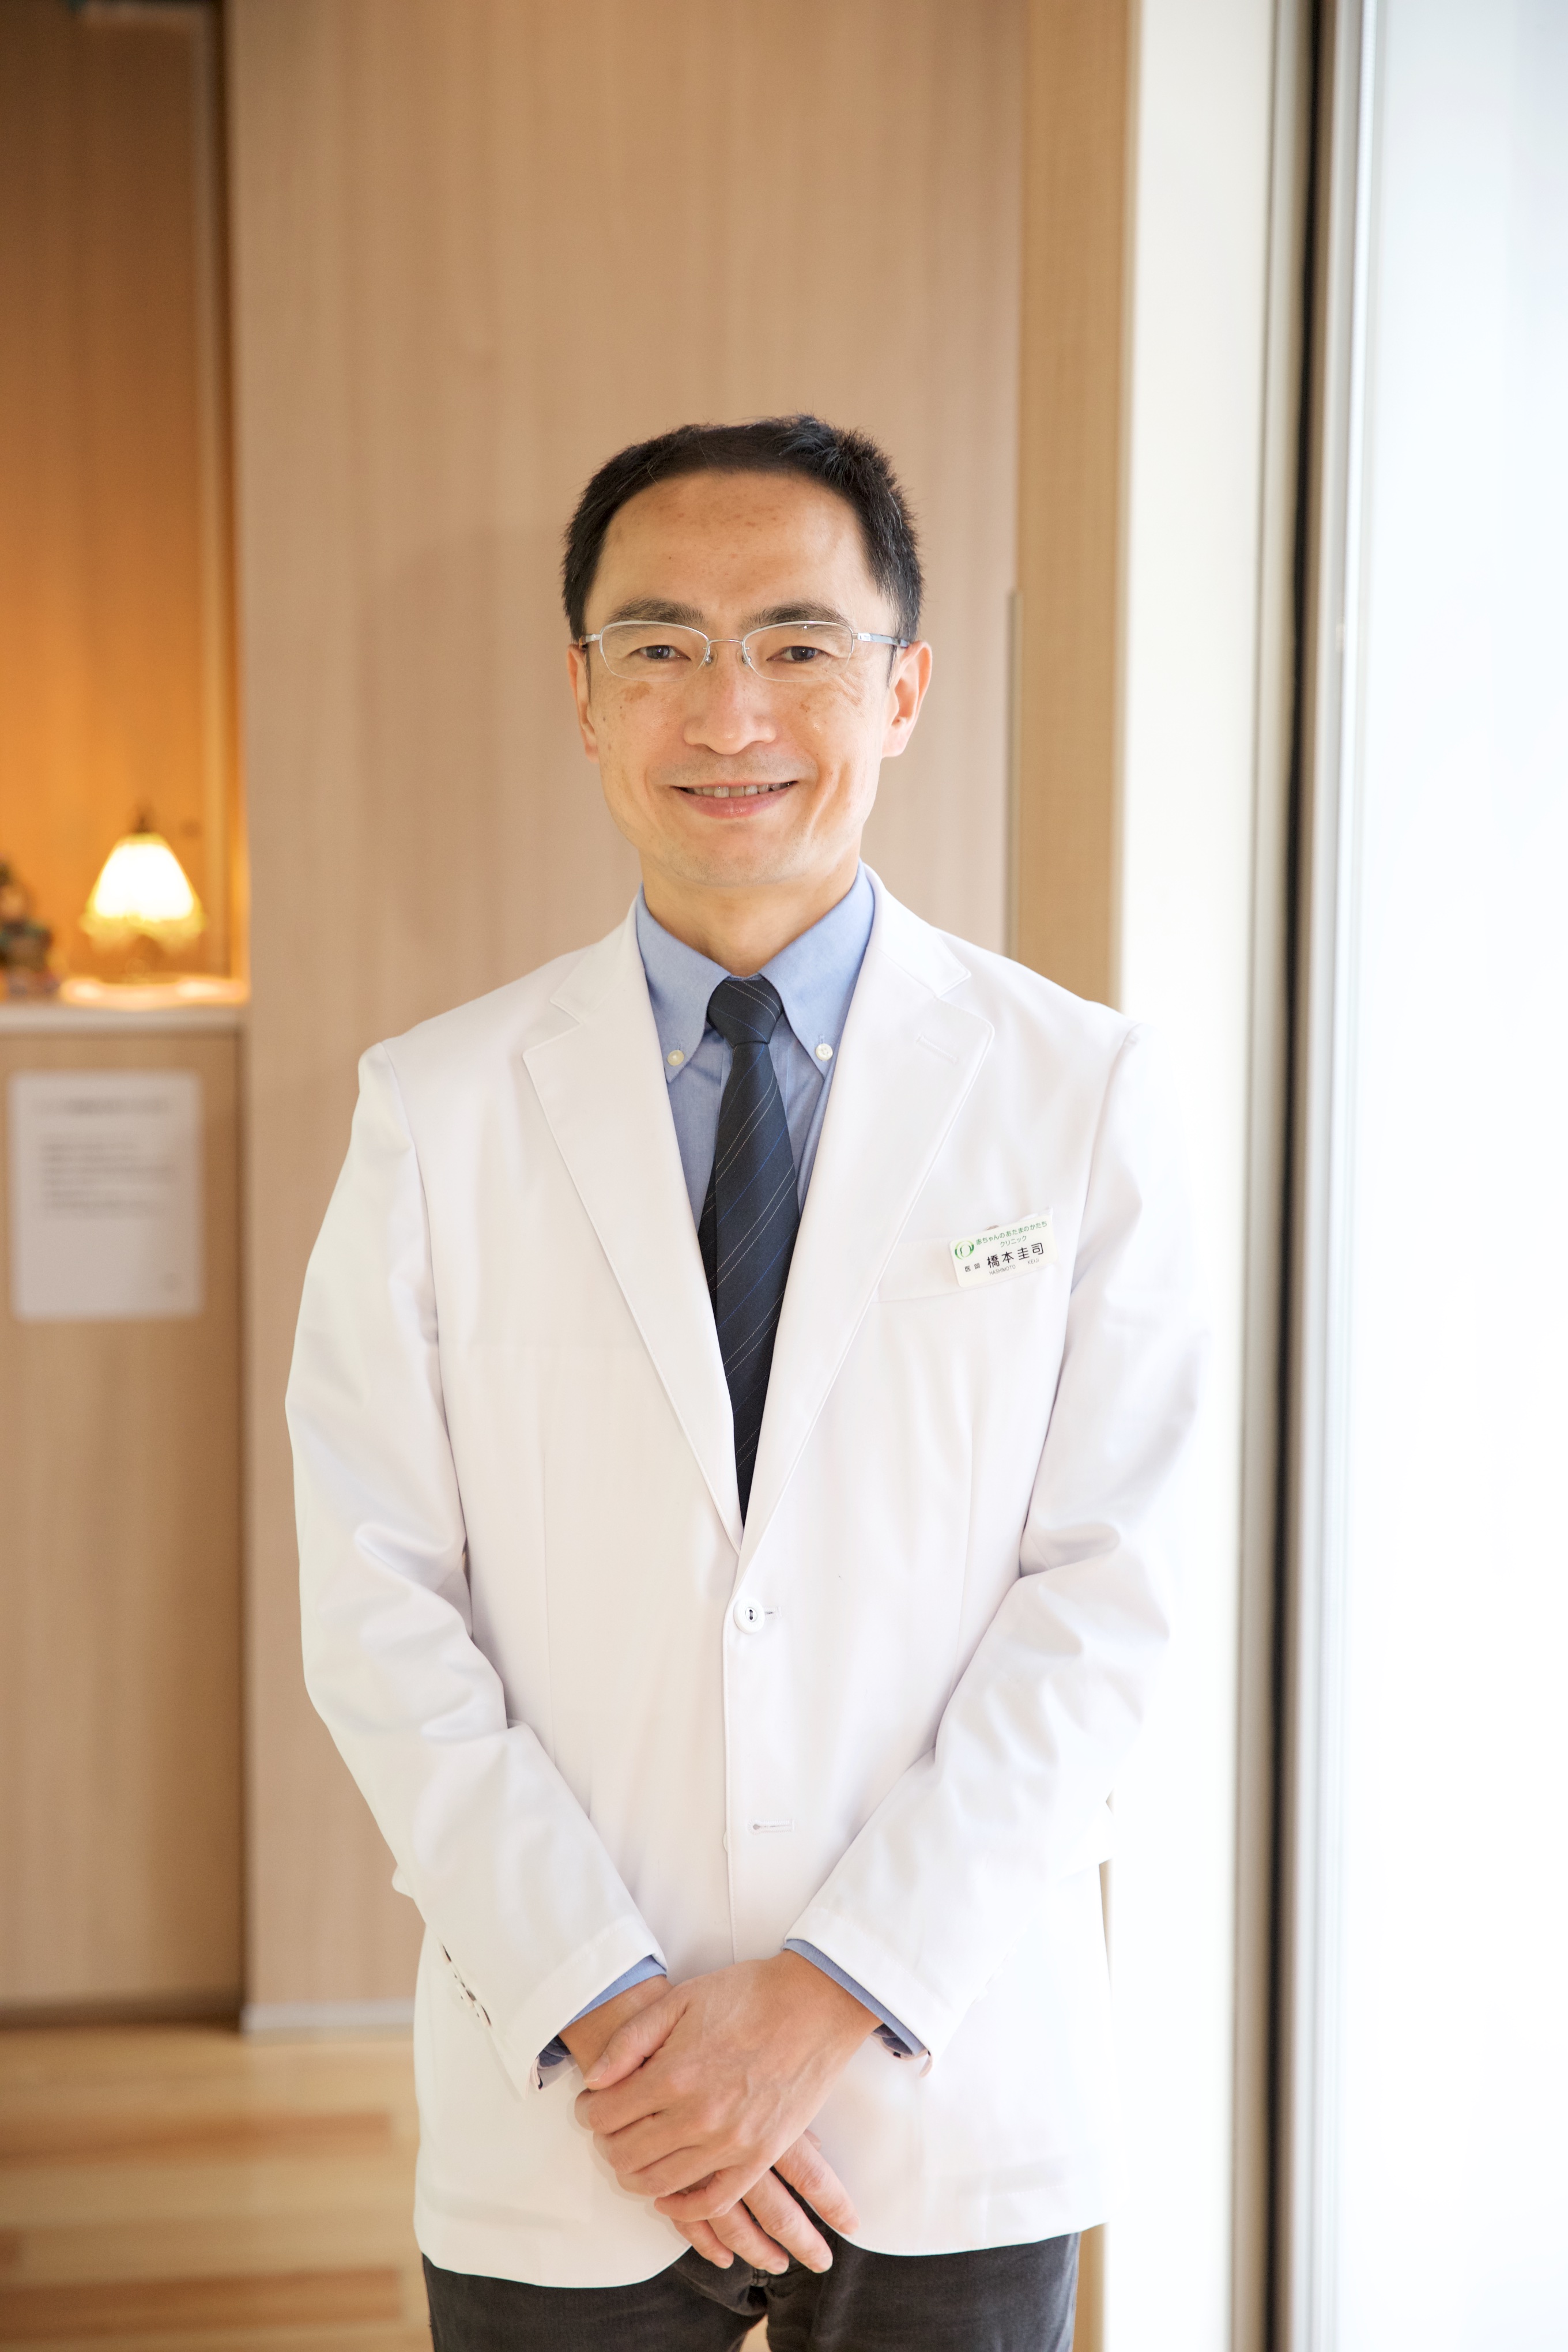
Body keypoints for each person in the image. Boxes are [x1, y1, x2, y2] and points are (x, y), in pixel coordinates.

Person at [288, 414, 1204, 2351]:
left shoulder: (1078, 1093)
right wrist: (613, 2007)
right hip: (577, 2099)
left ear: (905, 689)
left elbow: (1113, 1595)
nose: (730, 714)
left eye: (798, 643)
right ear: (583, 696)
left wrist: (825, 1997)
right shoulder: (436, 1112)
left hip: (944, 2073)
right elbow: (380, 1610)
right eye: (662, 647)